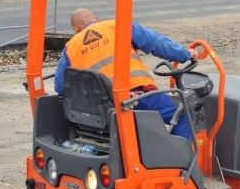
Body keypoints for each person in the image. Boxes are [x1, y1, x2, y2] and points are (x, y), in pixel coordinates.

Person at [54, 8, 197, 139]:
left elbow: (60, 86)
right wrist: (185, 54)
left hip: (98, 109)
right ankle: (177, 163)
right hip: (134, 98)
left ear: (75, 29)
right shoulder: (116, 26)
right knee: (185, 113)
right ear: (97, 19)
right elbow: (157, 43)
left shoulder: (70, 47)